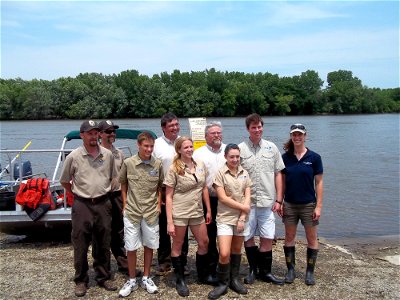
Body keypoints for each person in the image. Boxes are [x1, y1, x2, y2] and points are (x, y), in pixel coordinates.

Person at [60, 120, 117, 297]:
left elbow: (113, 178)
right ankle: (81, 280)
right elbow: (64, 181)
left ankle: (103, 276)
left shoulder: (108, 155)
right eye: (90, 133)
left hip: (103, 203)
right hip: (82, 204)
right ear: (82, 135)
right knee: (81, 244)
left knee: (103, 242)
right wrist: (79, 194)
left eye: (96, 133)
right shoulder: (74, 156)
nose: (93, 136)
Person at [239, 113, 285, 285]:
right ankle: (252, 270)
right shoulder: (240, 149)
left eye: (259, 126)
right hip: (247, 204)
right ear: (248, 129)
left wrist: (279, 200)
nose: (257, 130)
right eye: (253, 127)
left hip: (267, 203)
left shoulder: (272, 148)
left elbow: (278, 173)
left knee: (267, 237)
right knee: (248, 237)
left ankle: (265, 272)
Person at [164, 136, 212, 297]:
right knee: (178, 245)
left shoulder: (200, 164)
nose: (190, 150)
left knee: (204, 242)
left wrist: (209, 210)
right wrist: (169, 221)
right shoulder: (173, 168)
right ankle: (180, 280)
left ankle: (203, 275)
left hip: (197, 211)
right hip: (180, 212)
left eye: (191, 147)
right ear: (179, 150)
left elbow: (204, 187)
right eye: (186, 147)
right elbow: (168, 196)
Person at [118, 131, 164, 297]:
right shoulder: (128, 163)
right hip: (132, 211)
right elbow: (123, 184)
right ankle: (131, 279)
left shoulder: (157, 164)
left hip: (151, 212)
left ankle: (146, 277)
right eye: (146, 146)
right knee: (130, 246)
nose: (149, 149)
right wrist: (124, 204)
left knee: (149, 245)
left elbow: (160, 186)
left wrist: (159, 205)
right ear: (138, 145)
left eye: (151, 146)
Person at [279, 124, 324, 285]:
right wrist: (281, 201)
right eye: (294, 135)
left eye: (300, 135)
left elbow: (319, 183)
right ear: (291, 136)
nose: (297, 138)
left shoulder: (314, 158)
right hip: (290, 204)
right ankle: (290, 270)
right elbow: (282, 182)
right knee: (289, 237)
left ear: (305, 136)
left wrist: (318, 206)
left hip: (308, 205)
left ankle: (309, 272)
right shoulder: (285, 158)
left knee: (311, 239)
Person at [208, 144, 252, 300]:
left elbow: (248, 195)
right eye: (232, 156)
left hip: (241, 218)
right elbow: (222, 198)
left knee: (236, 251)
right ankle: (222, 283)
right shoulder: (220, 174)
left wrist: (242, 216)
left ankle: (234, 280)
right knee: (225, 253)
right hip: (225, 218)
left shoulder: (245, 173)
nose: (235, 159)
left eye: (237, 156)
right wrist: (244, 208)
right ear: (225, 157)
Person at [153, 113, 189, 276]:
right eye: (171, 126)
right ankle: (165, 261)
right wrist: (156, 195)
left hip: (183, 190)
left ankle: (182, 260)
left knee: (183, 226)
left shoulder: (184, 142)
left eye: (176, 124)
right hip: (163, 189)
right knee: (164, 227)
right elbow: (152, 171)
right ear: (163, 128)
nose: (175, 128)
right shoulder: (156, 145)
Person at [193, 121, 226, 282]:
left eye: (219, 132)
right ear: (206, 136)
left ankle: (226, 267)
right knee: (209, 236)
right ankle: (210, 270)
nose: (217, 135)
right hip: (206, 200)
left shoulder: (229, 150)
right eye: (213, 133)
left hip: (226, 200)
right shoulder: (198, 154)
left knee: (226, 234)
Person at [98, 120, 129, 272]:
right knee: (102, 232)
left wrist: (125, 199)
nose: (112, 134)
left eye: (113, 131)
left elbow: (124, 178)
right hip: (101, 196)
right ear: (100, 134)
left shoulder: (119, 153)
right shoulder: (95, 153)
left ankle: (123, 263)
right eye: (108, 131)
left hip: (116, 195)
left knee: (118, 231)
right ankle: (104, 268)